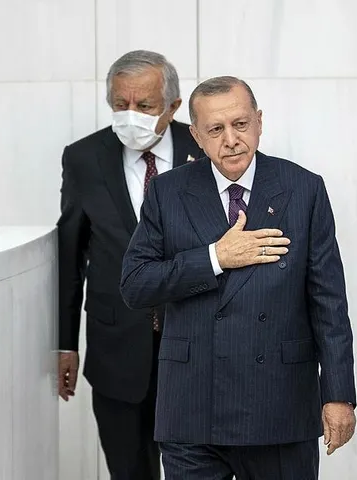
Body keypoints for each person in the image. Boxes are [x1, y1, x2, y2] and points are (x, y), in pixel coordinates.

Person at [120, 76, 357, 480]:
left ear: (259, 122)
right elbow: (135, 284)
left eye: (241, 124)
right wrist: (216, 257)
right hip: (192, 407)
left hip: (279, 403)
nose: (231, 140)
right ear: (196, 136)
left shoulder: (303, 189)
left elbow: (328, 302)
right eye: (215, 129)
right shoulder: (166, 192)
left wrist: (338, 395)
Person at [56, 50, 203, 480]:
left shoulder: (205, 148)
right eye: (121, 104)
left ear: (173, 106)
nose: (131, 115)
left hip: (196, 347)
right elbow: (70, 256)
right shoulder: (84, 158)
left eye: (145, 105)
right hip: (115, 348)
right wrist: (65, 344)